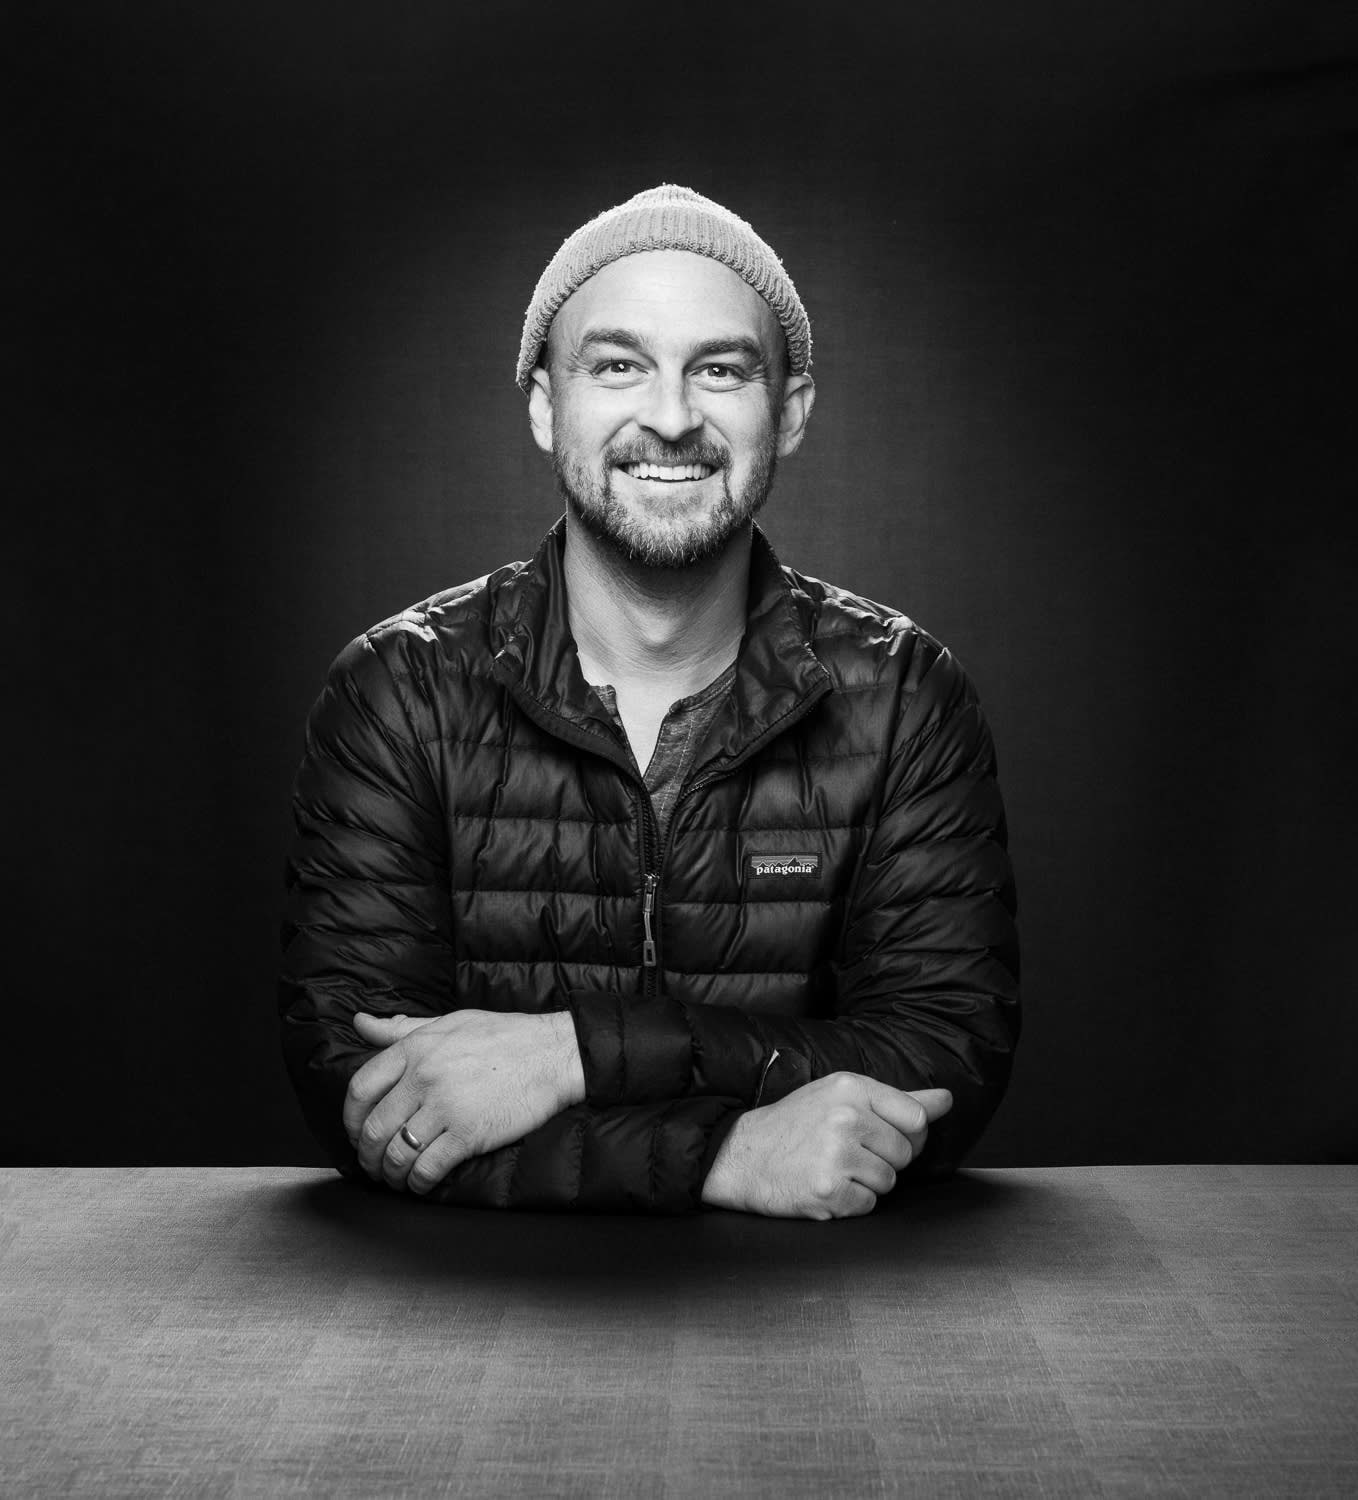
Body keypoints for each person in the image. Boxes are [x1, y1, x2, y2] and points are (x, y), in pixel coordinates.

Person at [279, 185, 1020, 1219]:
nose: (671, 418)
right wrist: (723, 1158)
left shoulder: (904, 698)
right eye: (618, 365)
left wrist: (573, 1054)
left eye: (719, 370)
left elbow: (942, 1059)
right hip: (464, 1310)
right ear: (545, 404)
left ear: (789, 412)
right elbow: (362, 1094)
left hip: (815, 1311)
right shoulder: (397, 691)